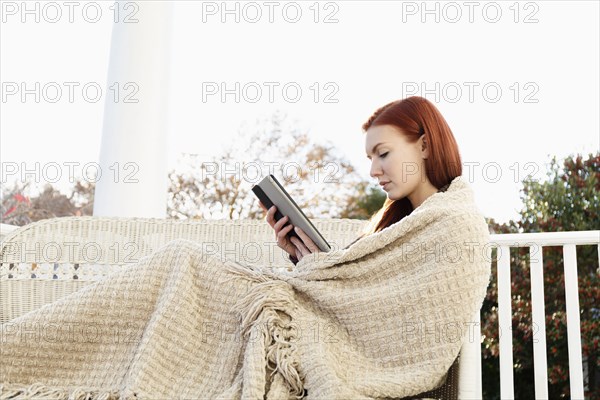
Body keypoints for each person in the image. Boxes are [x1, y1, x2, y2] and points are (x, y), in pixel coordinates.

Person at [259, 96, 461, 265]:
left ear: (424, 146)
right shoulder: (389, 226)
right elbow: (353, 291)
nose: (373, 171)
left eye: (383, 153)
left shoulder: (455, 224)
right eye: (370, 159)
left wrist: (323, 272)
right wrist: (301, 256)